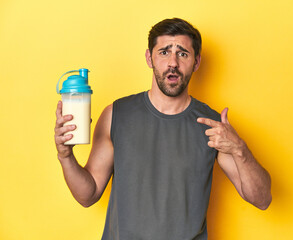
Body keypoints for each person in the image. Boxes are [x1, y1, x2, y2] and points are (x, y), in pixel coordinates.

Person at [54, 18, 272, 240]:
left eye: (183, 54)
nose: (173, 63)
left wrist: (240, 150)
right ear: (149, 58)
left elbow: (262, 199)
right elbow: (87, 195)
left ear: (196, 62)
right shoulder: (116, 115)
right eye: (164, 52)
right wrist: (65, 156)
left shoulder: (213, 126)